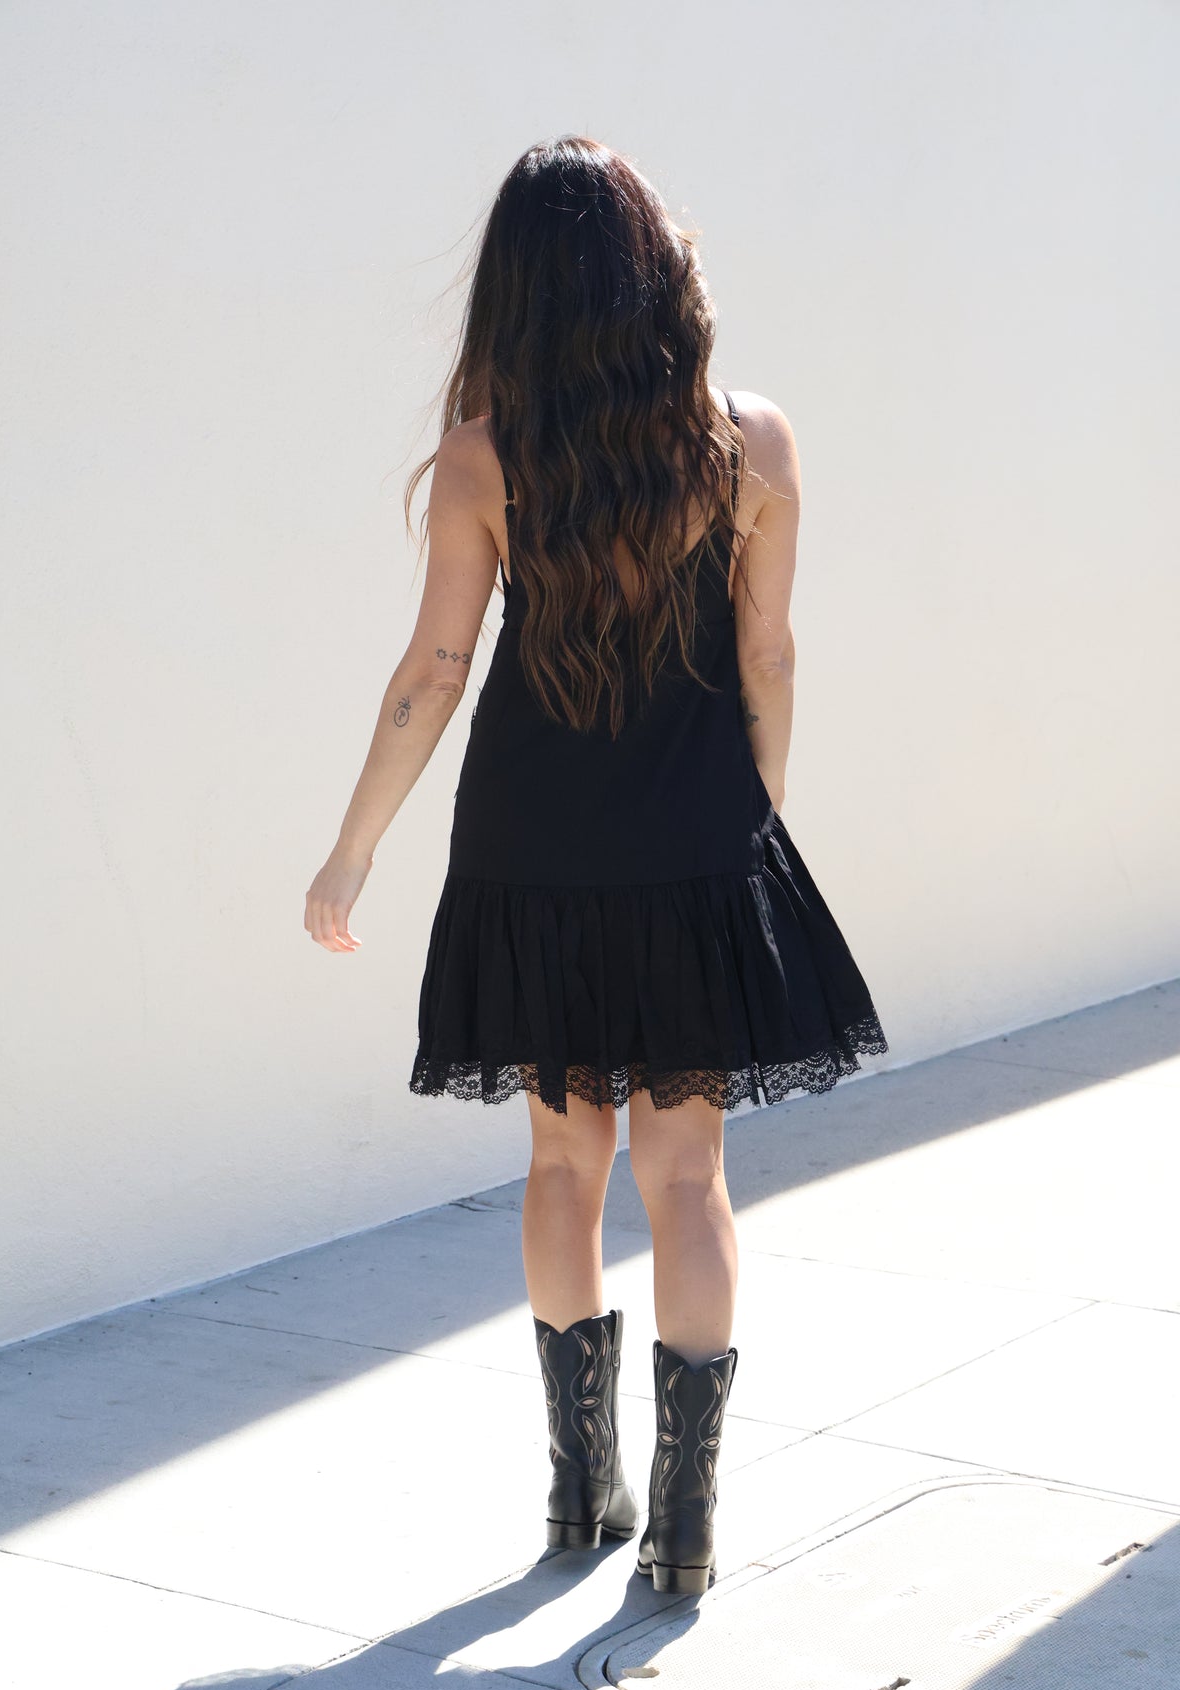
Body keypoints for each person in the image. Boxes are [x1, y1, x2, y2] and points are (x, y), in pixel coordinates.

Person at [304, 136, 889, 1597]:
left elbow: (435, 670)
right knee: (691, 1176)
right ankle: (686, 1528)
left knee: (566, 1164)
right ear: (657, 272)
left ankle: (583, 1496)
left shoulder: (487, 458)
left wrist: (353, 846)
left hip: (532, 848)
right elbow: (770, 651)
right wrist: (751, 816)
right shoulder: (748, 441)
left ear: (516, 293)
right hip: (696, 840)